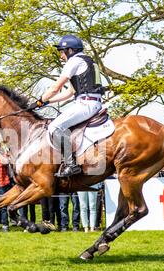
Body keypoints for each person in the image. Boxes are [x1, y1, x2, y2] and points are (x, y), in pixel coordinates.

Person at [30, 35, 104, 177]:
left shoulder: (74, 61)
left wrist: (40, 100)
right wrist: (47, 102)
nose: (61, 55)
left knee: (54, 127)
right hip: (91, 101)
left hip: (86, 103)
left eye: (62, 51)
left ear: (70, 50)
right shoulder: (87, 61)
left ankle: (71, 164)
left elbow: (55, 88)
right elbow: (69, 93)